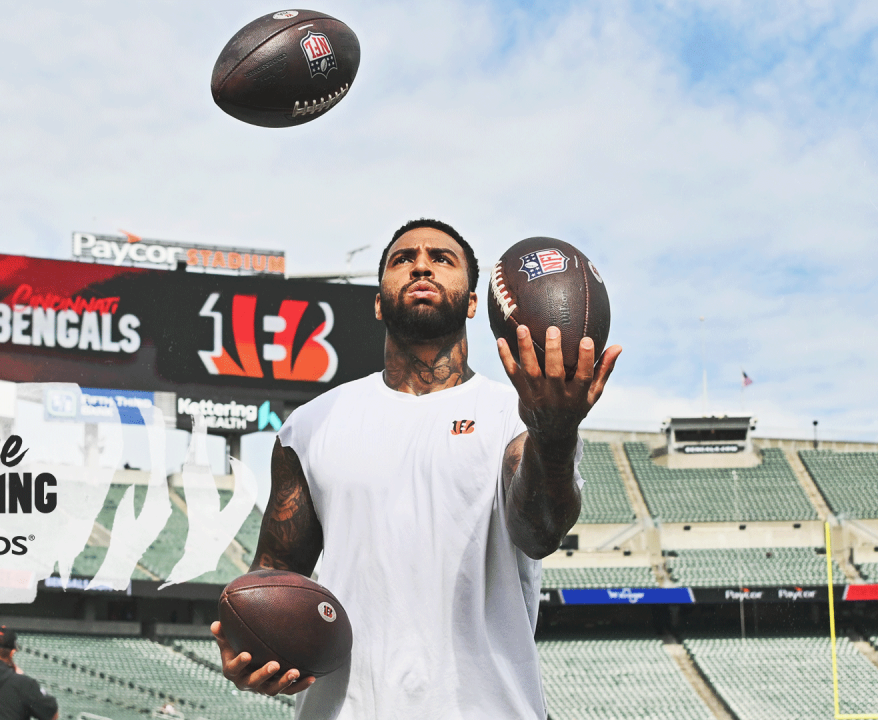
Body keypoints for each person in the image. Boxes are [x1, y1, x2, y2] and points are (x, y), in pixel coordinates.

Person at [211, 219, 620, 719]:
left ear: (474, 302)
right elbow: (275, 574)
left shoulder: (521, 414)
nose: (421, 264)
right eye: (403, 259)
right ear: (379, 301)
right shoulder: (311, 426)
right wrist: (250, 644)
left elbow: (540, 533)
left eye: (442, 258)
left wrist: (554, 436)